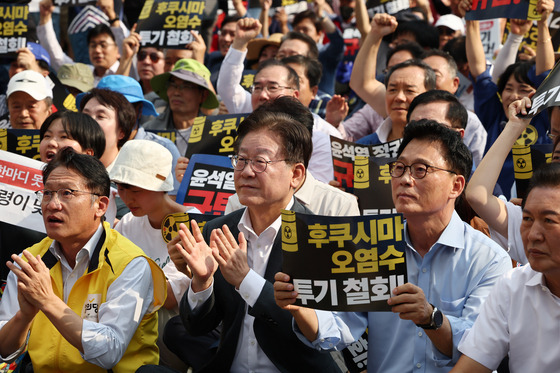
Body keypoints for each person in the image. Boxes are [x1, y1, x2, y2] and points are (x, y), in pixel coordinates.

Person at [274, 120, 512, 372]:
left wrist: (432, 318)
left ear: (456, 186)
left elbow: (481, 349)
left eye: (421, 170)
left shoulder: (489, 259)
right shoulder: (371, 247)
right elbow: (340, 328)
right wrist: (300, 307)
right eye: (399, 168)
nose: (405, 179)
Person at [164, 110, 343, 372]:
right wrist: (202, 282)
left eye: (260, 162)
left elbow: (318, 335)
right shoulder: (218, 229)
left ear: (296, 174)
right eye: (241, 160)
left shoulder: (319, 237)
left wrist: (246, 279)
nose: (246, 171)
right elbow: (197, 327)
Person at [0, 148, 166, 371]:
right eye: (47, 193)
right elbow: (5, 351)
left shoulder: (130, 263)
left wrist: (47, 301)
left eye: (67, 193)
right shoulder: (29, 261)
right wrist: (24, 316)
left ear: (100, 206)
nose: (52, 204)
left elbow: (109, 351)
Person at [451, 161, 560, 373]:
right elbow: (472, 366)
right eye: (527, 218)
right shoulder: (512, 286)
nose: (533, 235)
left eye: (549, 220)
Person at [109, 140, 198, 370]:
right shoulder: (127, 224)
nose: (127, 197)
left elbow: (168, 297)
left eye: (136, 188)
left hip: (171, 332)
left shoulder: (195, 223)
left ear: (162, 186)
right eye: (121, 187)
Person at [462, 0, 554, 198]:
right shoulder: (493, 115)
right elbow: (479, 71)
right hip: (493, 210)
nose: (513, 96)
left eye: (523, 89)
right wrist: (471, 20)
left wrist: (542, 23)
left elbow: (546, 74)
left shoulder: (547, 117)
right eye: (508, 88)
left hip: (541, 206)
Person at [465, 97, 560, 264]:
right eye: (555, 134)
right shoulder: (531, 221)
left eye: (550, 221)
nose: (535, 236)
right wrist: (514, 126)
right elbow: (477, 195)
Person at [421, 49, 487, 166]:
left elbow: (481, 171)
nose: (428, 82)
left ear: (455, 83)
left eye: (435, 76)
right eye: (423, 76)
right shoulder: (403, 115)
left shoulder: (471, 123)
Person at [143, 58, 220, 156]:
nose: (176, 92)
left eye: (187, 86)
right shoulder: (150, 131)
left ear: (203, 95)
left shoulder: (214, 134)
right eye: (172, 85)